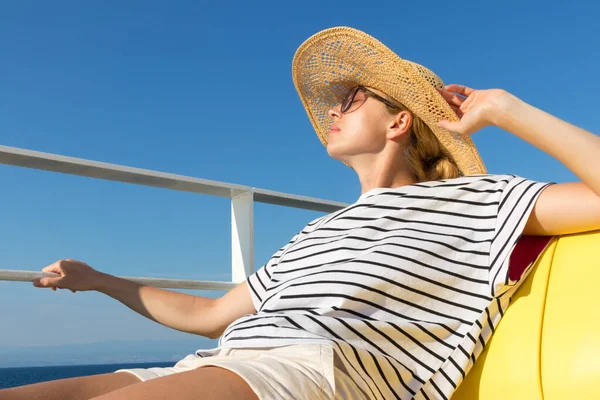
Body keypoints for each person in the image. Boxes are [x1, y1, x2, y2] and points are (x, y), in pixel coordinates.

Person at [2, 26, 599, 400]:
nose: (334, 111)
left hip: (317, 374)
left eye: (352, 99)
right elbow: (210, 315)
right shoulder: (318, 233)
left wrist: (504, 108)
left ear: (400, 122)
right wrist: (99, 280)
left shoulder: (479, 200)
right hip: (222, 362)